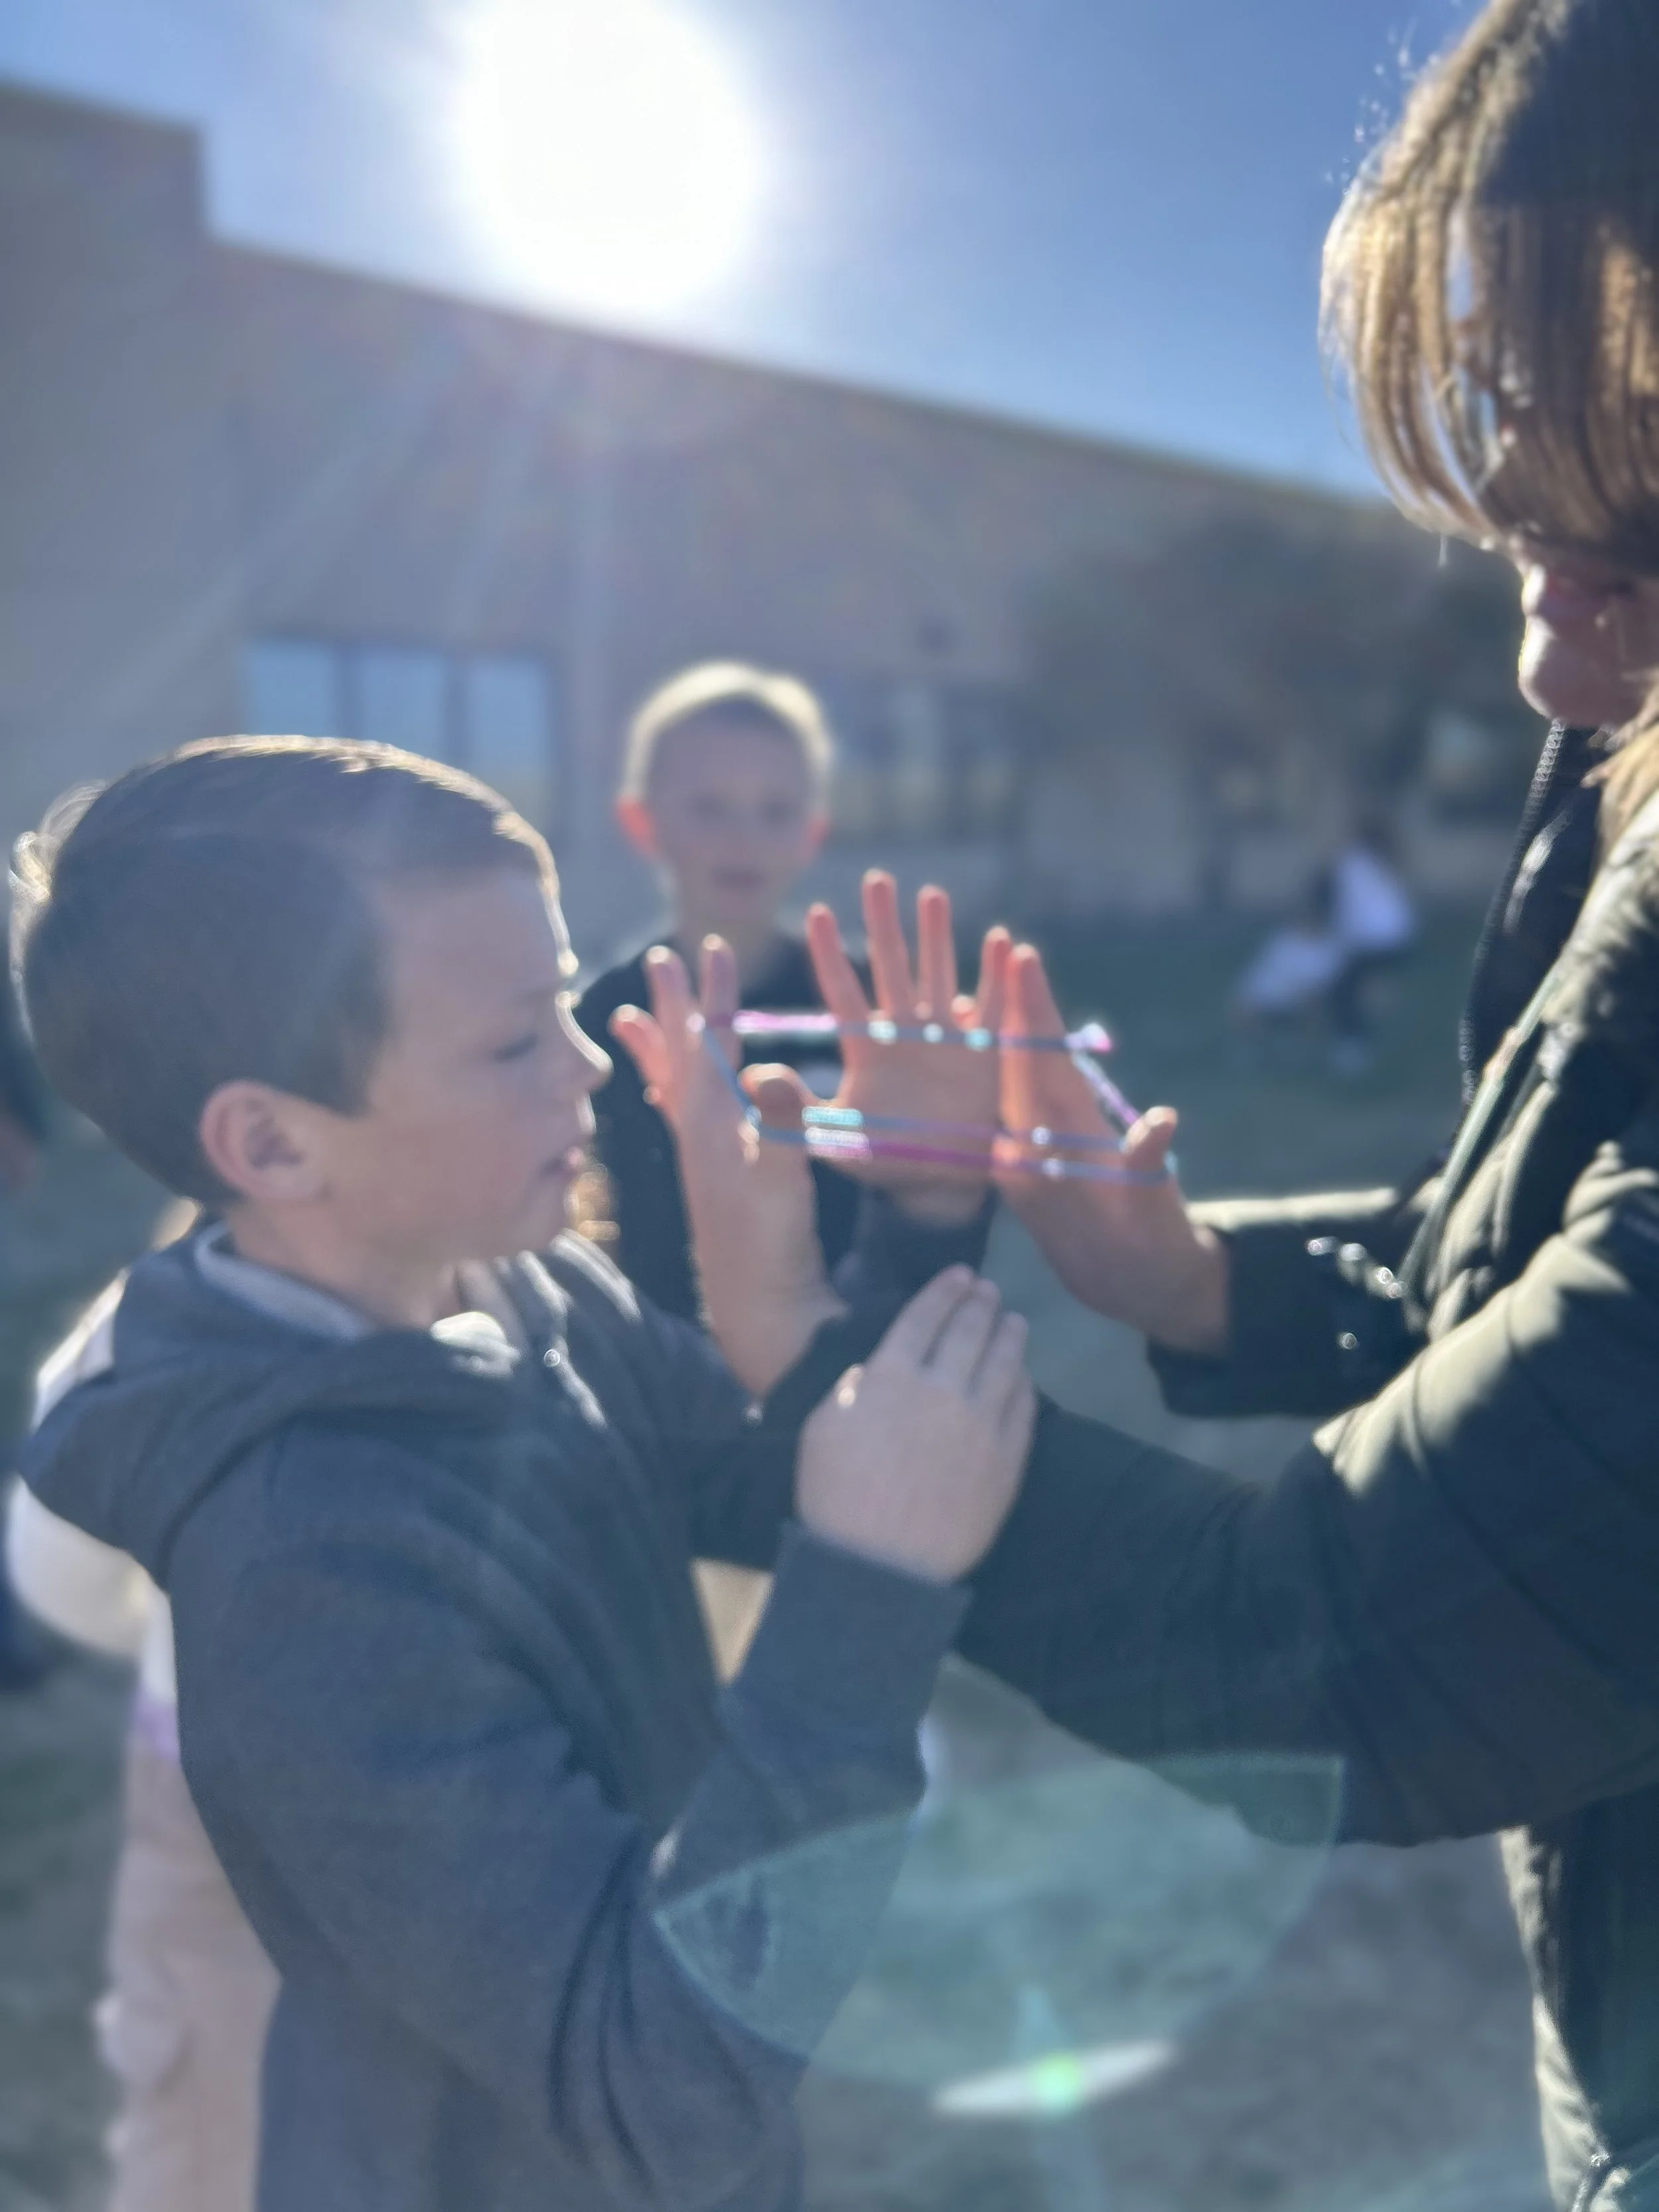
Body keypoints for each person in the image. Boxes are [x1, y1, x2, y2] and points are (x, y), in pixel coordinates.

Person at [807, 7, 1659, 2209]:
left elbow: (1338, 1654)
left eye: (1631, 495)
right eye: (1509, 439)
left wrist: (834, 1378)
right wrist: (1204, 1279)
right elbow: (1581, 1280)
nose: (1543, 612)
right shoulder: (1633, 766)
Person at [8, 736, 1035, 2212]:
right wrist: (865, 1598)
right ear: (272, 1141)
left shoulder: (531, 1288)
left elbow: (783, 1473)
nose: (588, 1058)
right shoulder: (307, 1571)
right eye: (512, 1041)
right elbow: (654, 2086)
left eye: (563, 997)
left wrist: (925, 1215)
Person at [579, 662, 861, 1323]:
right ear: (643, 823)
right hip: (667, 1376)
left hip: (848, 1349)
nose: (744, 837)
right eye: (710, 807)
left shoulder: (863, 1004)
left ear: (811, 834)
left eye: (775, 810)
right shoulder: (602, 1021)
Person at [1326, 813, 1417, 1073]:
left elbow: (1350, 912)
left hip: (1375, 942)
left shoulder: (1351, 864)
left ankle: (1352, 1050)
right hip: (1398, 940)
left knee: (1342, 990)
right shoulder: (1382, 862)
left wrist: (1341, 945)